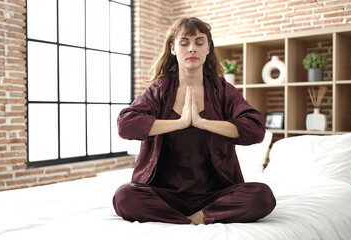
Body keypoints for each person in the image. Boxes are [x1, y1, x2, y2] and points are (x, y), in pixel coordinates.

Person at [113, 17, 276, 225]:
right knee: (124, 196)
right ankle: (192, 220)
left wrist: (202, 122)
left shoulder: (222, 90)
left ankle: (195, 218)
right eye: (184, 43)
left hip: (215, 194)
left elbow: (255, 128)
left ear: (208, 48)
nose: (192, 49)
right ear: (173, 49)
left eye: (199, 42)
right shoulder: (160, 89)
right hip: (165, 194)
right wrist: (180, 122)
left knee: (262, 196)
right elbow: (126, 124)